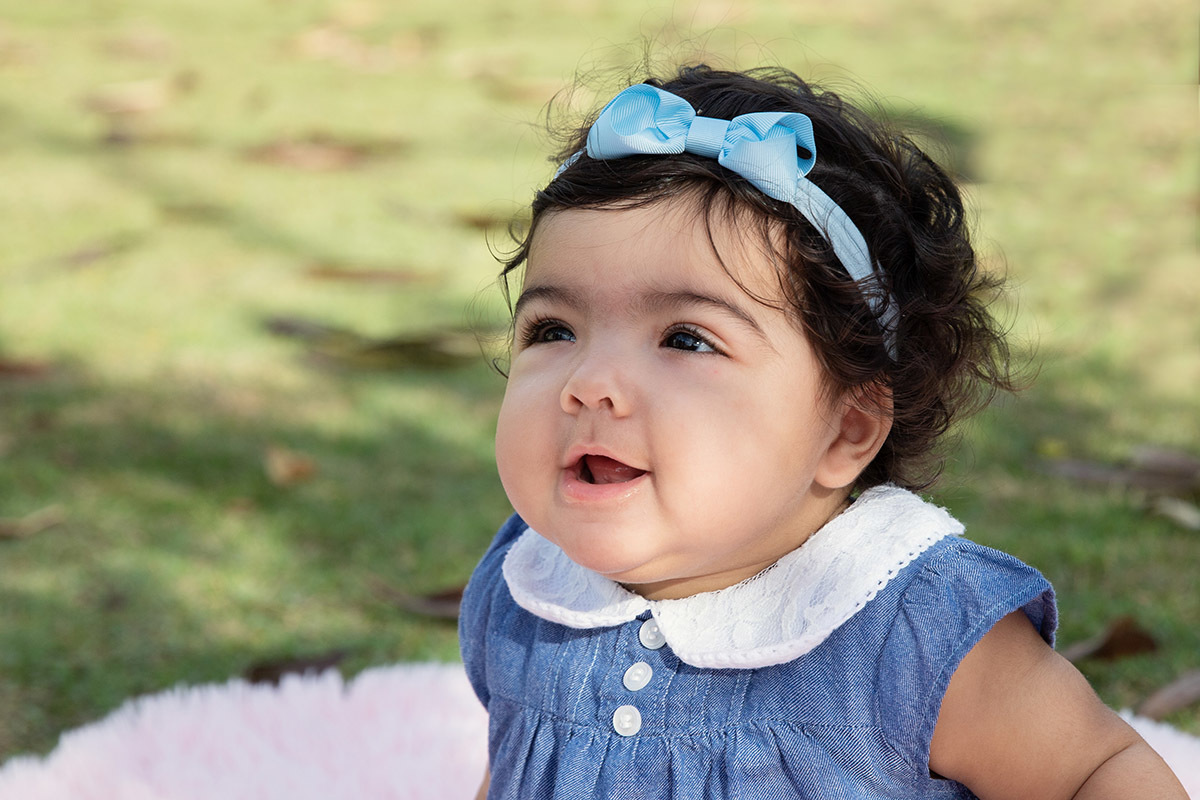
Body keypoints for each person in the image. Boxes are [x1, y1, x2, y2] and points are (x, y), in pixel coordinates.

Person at [458, 64, 1187, 799]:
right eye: (553, 328)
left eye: (684, 339)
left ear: (847, 430)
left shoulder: (906, 631)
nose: (591, 383)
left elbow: (1095, 770)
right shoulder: (530, 585)